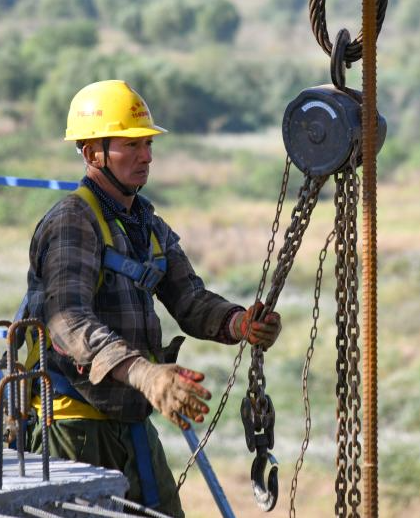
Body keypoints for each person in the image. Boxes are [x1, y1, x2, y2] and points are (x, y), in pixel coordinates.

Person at [18, 79, 282, 516]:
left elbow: (190, 301)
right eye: (131, 144)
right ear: (91, 153)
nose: (146, 156)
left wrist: (239, 322)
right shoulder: (72, 222)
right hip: (74, 427)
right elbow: (67, 323)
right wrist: (146, 374)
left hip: (131, 425)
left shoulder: (144, 223)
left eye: (147, 144)